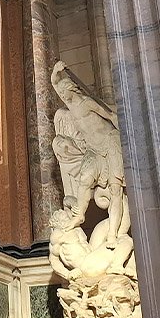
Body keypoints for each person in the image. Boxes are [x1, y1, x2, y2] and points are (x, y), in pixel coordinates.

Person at [51, 61, 126, 247]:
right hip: (94, 149)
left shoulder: (88, 103)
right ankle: (79, 215)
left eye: (64, 93)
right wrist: (56, 70)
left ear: (71, 91)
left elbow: (110, 116)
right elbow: (54, 84)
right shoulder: (70, 105)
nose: (62, 96)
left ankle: (112, 234)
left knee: (115, 190)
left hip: (110, 144)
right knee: (85, 180)